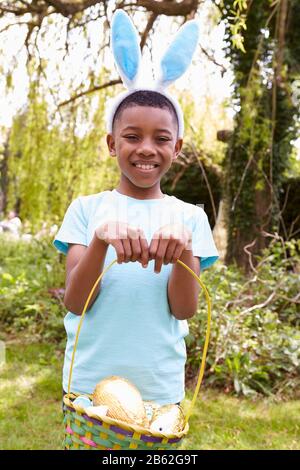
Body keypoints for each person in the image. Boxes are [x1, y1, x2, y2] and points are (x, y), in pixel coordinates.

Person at [53, 10, 219, 409]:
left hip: (159, 389)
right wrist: (99, 241)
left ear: (176, 149)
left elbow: (185, 309)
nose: (146, 148)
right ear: (112, 144)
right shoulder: (85, 209)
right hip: (89, 386)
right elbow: (76, 302)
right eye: (132, 136)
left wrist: (181, 250)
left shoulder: (190, 218)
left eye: (161, 138)